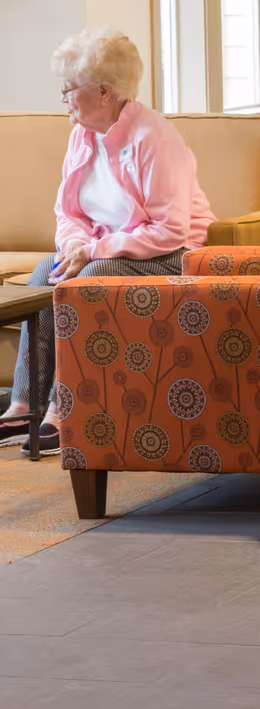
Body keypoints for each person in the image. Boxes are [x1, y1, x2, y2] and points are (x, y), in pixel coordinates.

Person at [0, 29, 215, 449]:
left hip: (175, 253)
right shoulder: (81, 134)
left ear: (104, 91)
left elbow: (170, 230)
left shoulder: (154, 137)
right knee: (48, 268)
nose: (63, 98)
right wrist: (74, 246)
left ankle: (70, 408)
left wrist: (92, 251)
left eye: (69, 89)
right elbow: (69, 213)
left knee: (92, 274)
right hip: (107, 248)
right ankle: (25, 404)